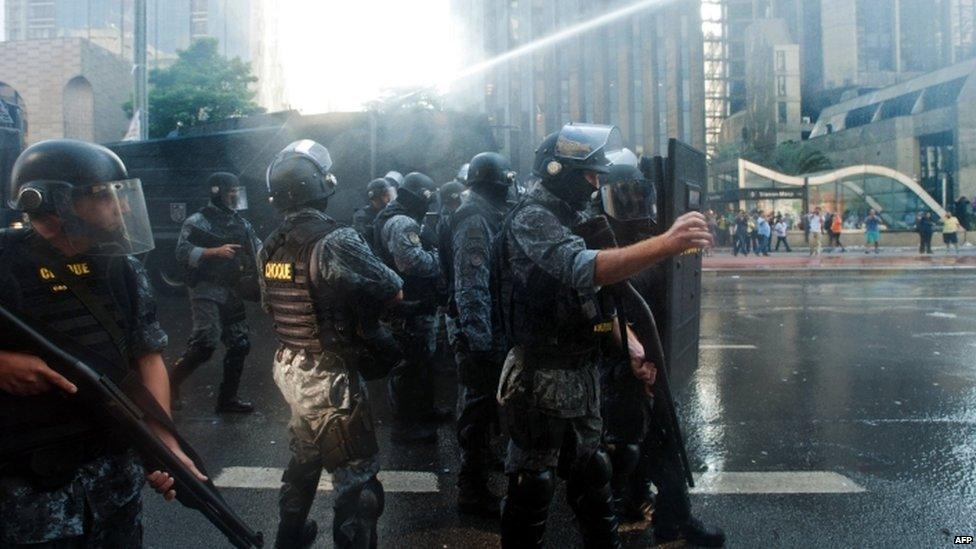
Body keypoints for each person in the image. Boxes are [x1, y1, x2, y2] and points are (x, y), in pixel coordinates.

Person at [496, 123, 713, 548]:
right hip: (541, 376)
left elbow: (594, 298)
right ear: (561, 172)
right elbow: (587, 269)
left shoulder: (572, 215)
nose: (597, 186)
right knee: (532, 484)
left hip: (580, 370)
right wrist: (667, 242)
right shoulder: (533, 217)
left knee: (594, 476)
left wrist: (630, 345)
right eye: (590, 175)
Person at [0, 139, 204, 547]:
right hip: (29, 498)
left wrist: (164, 443)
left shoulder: (122, 269)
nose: (123, 207)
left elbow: (147, 356)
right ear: (54, 202)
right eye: (105, 196)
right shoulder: (5, 261)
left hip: (114, 484)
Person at [260, 140, 402, 548]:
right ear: (320, 184)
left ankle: (288, 539)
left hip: (289, 365)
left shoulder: (268, 244)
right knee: (358, 481)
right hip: (330, 373)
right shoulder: (337, 239)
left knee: (306, 457)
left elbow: (269, 302)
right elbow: (392, 289)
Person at [596, 161, 726, 547]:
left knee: (650, 440)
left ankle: (647, 509)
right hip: (621, 365)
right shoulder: (602, 239)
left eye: (640, 193)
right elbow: (600, 311)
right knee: (637, 445)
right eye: (626, 196)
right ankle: (668, 520)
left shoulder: (649, 236)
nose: (635, 203)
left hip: (648, 359)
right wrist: (628, 345)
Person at [440, 152, 516, 517]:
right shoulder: (474, 217)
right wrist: (480, 343)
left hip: (485, 327)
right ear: (498, 182)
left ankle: (483, 462)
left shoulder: (483, 211)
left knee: (485, 407)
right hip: (477, 330)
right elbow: (472, 286)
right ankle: (470, 489)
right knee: (476, 406)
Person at [169, 172, 260, 414]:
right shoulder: (198, 221)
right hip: (205, 289)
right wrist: (214, 252)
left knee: (240, 344)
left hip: (232, 289)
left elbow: (258, 249)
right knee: (205, 343)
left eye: (236, 192)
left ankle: (227, 399)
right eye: (231, 192)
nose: (235, 197)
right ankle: (169, 384)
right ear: (217, 192)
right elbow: (181, 252)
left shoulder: (242, 223)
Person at [373, 171, 448, 444]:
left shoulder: (397, 216)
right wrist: (442, 258)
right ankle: (405, 427)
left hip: (413, 304)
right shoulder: (402, 221)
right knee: (409, 367)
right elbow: (412, 263)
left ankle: (424, 412)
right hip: (409, 306)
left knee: (422, 363)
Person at [352, 178, 396, 248]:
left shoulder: (392, 212)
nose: (389, 198)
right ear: (374, 197)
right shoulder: (362, 216)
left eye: (389, 194)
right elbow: (362, 241)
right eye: (385, 195)